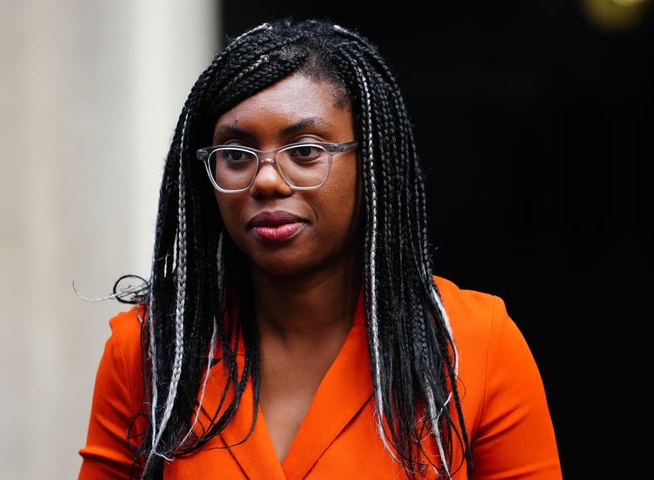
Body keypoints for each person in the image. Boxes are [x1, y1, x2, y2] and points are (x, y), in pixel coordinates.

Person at [77, 17, 562, 480]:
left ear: (370, 163)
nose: (266, 180)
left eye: (306, 151)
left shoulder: (472, 347)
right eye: (236, 155)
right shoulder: (154, 351)